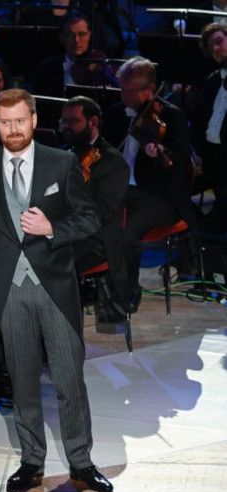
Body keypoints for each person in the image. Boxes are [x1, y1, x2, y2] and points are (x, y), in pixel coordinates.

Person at [0, 88, 112, 492]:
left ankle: (81, 462)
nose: (13, 130)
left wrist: (52, 229)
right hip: (9, 288)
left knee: (70, 380)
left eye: (20, 121)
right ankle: (32, 462)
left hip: (54, 286)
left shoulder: (61, 162)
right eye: (5, 122)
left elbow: (90, 218)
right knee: (21, 382)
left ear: (34, 120)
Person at [101, 56, 196, 312]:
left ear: (150, 90)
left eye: (130, 91)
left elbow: (180, 165)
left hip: (160, 197)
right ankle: (100, 286)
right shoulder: (115, 113)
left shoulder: (171, 116)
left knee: (127, 233)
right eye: (121, 89)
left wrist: (159, 155)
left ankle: (128, 290)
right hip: (124, 192)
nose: (124, 96)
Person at [59, 95, 131, 311]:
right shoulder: (66, 152)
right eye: (64, 121)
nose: (66, 127)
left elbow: (101, 215)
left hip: (95, 240)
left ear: (93, 122)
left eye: (73, 121)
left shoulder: (113, 162)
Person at [191, 23, 227, 235]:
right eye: (211, 47)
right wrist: (195, 151)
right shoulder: (213, 80)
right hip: (210, 156)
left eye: (219, 42)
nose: (215, 49)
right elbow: (198, 122)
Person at [33, 11, 109, 98]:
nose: (76, 40)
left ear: (89, 35)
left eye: (82, 34)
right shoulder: (46, 69)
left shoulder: (100, 66)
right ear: (62, 37)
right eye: (70, 35)